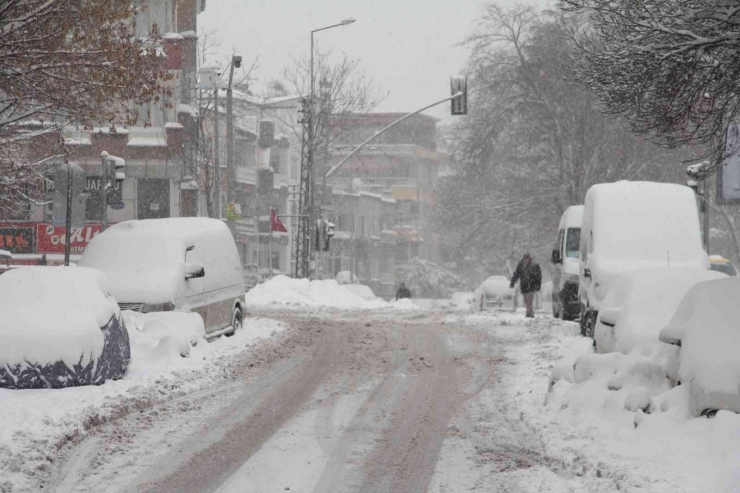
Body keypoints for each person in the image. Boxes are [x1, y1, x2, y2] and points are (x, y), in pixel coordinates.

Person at [510, 253, 542, 318]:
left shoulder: (534, 265)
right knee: (526, 300)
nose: (526, 260)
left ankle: (530, 313)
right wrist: (512, 282)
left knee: (529, 300)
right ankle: (529, 312)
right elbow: (516, 273)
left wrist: (538, 285)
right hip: (524, 286)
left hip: (531, 286)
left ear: (529, 258)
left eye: (527, 259)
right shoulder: (521, 265)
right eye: (525, 259)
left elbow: (538, 276)